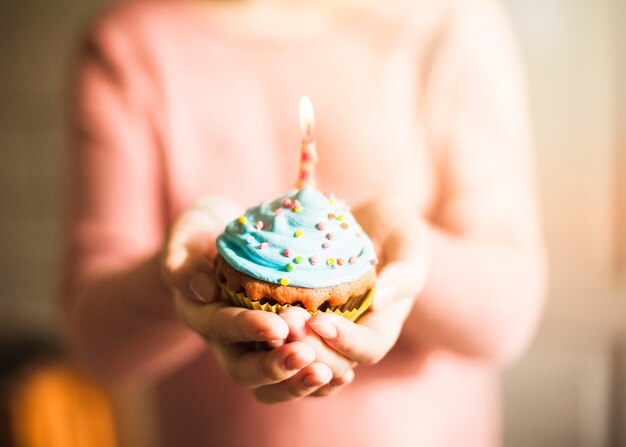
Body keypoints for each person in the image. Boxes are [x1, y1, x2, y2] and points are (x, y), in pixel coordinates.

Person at [61, 0, 546, 445]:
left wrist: (407, 260)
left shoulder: (449, 21)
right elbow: (96, 346)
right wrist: (180, 276)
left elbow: (510, 313)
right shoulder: (130, 42)